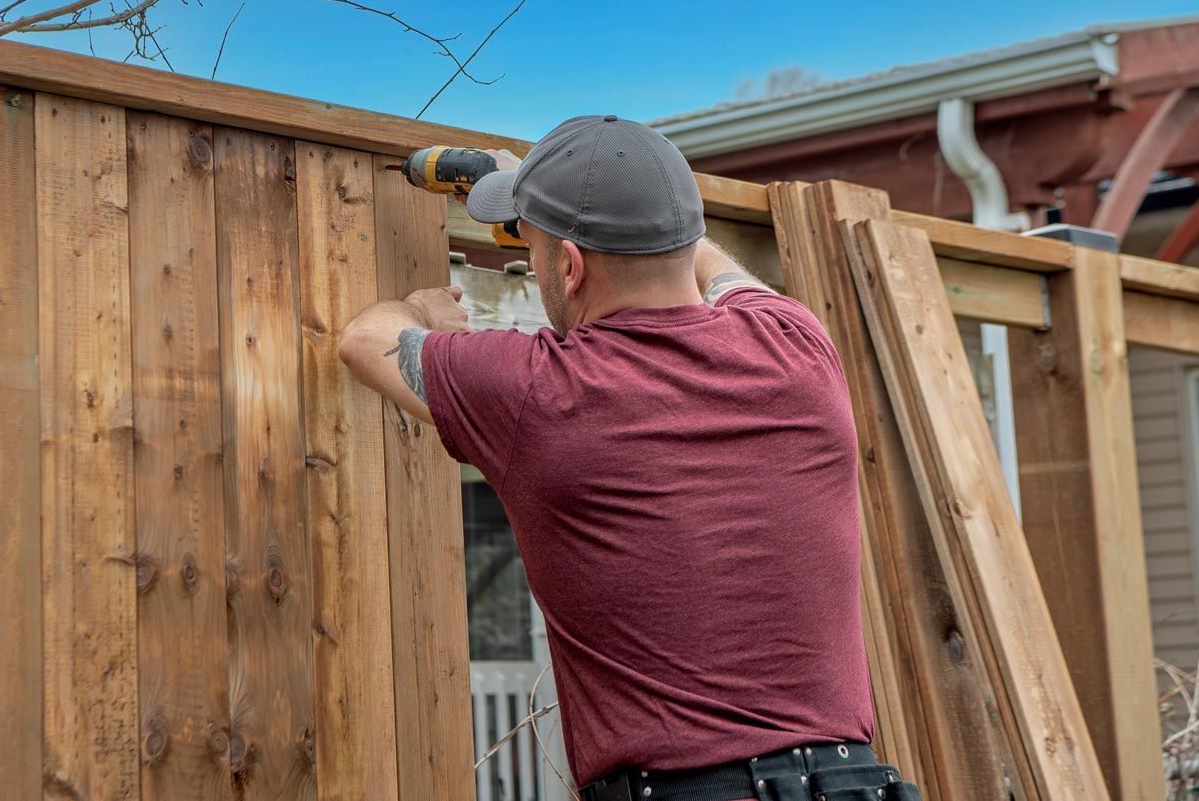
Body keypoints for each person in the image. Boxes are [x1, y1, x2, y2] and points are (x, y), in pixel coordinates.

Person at [339, 115, 919, 801]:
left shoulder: (540, 392)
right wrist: (557, 205)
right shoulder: (797, 344)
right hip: (854, 783)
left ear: (571, 266)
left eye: (533, 248)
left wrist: (423, 307)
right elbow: (709, 261)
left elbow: (364, 338)